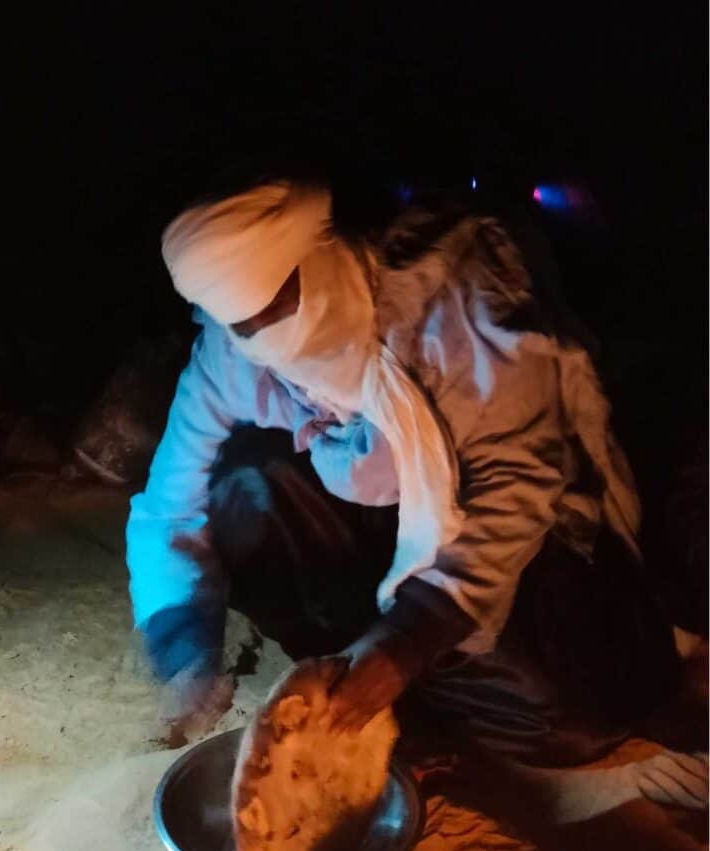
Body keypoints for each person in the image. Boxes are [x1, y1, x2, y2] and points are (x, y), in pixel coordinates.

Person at [126, 180, 681, 765]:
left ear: (317, 254)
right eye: (245, 325)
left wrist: (409, 639)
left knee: (579, 721)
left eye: (278, 306)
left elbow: (514, 485)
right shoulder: (229, 356)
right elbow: (170, 510)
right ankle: (348, 667)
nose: (269, 338)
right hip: (370, 522)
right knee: (240, 482)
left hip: (491, 533)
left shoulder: (456, 311)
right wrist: (184, 653)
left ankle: (395, 675)